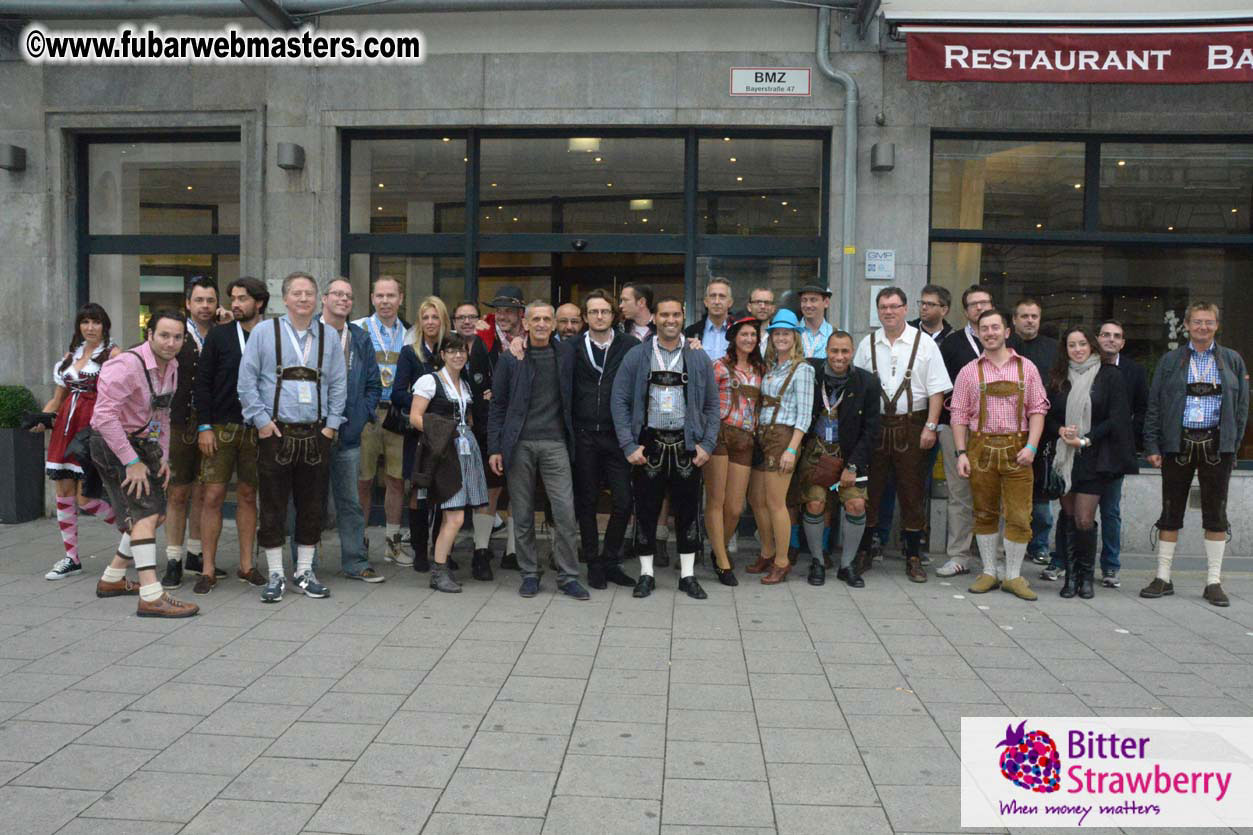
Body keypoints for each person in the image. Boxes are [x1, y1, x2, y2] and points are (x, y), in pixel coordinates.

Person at [238, 272, 348, 603]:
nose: (303, 298)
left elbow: (339, 384)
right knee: (272, 505)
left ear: (318, 300)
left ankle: (304, 571)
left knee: (312, 505)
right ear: (284, 299)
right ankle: (275, 573)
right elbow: (247, 382)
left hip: (316, 432)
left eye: (309, 293)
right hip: (275, 431)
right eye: (297, 293)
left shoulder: (330, 336)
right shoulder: (263, 332)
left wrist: (330, 426)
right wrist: (260, 422)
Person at [88, 310, 198, 617]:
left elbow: (162, 414)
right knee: (146, 514)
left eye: (177, 337)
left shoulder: (172, 366)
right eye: (164, 335)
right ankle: (151, 595)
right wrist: (132, 462)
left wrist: (161, 455)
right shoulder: (125, 366)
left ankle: (112, 579)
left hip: (141, 440)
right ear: (149, 334)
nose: (171, 342)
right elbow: (103, 418)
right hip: (112, 443)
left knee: (154, 515)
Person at [1141, 302, 1249, 608]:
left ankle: (1213, 581)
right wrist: (1152, 445)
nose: (1203, 327)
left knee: (1216, 515)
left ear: (1217, 325)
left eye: (1209, 322)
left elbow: (1241, 408)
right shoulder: (1171, 360)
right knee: (1170, 511)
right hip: (1178, 442)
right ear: (1186, 325)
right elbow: (1155, 405)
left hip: (1217, 445)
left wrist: (1232, 442)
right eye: (1197, 322)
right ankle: (1163, 577)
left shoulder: (1232, 360)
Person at [612, 296, 720, 599]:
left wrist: (707, 445)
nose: (670, 320)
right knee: (645, 510)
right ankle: (646, 574)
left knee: (688, 511)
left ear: (683, 317)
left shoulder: (698, 357)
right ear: (654, 318)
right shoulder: (637, 355)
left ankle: (687, 575)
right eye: (664, 315)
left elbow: (712, 405)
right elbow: (619, 400)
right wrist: (628, 444)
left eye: (675, 315)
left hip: (687, 445)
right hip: (649, 444)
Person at [488, 301, 589, 600]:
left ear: (555, 324)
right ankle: (529, 573)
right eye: (537, 319)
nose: (543, 323)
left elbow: (604, 340)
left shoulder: (567, 353)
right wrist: (495, 447)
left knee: (565, 512)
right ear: (526, 324)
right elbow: (498, 405)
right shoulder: (511, 358)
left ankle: (569, 576)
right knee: (521, 512)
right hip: (519, 443)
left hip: (556, 442)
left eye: (548, 319)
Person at [854, 287, 951, 583]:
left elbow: (937, 390)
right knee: (872, 490)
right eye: (883, 307)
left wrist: (931, 427)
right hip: (877, 426)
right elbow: (857, 390)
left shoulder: (925, 344)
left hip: (913, 424)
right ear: (877, 310)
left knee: (912, 492)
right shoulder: (867, 343)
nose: (889, 312)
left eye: (894, 306)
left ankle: (912, 555)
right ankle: (866, 549)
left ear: (906, 309)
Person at [951, 308, 1049, 601]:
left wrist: (1032, 447)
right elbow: (958, 414)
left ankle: (1014, 576)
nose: (990, 333)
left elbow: (1038, 409)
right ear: (978, 333)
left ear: (1007, 332)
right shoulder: (969, 370)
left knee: (1020, 514)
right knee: (984, 512)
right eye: (985, 328)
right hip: (980, 448)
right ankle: (990, 572)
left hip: (1018, 448)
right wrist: (961, 453)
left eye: (996, 327)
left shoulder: (1026, 368)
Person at [1044, 325, 1134, 600]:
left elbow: (1116, 418)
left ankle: (1086, 577)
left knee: (1084, 519)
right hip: (1065, 458)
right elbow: (1046, 414)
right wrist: (1060, 430)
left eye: (1082, 343)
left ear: (1092, 346)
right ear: (1065, 349)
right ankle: (1070, 577)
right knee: (1068, 516)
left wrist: (1085, 440)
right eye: (1072, 345)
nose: (1078, 349)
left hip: (1094, 458)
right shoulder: (1059, 377)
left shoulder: (1109, 375)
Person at [192, 277, 269, 592]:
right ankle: (207, 570)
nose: (235, 304)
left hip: (257, 428)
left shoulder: (271, 336)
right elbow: (203, 382)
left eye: (243, 298)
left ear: (259, 303)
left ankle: (247, 565)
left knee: (250, 496)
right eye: (233, 298)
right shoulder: (219, 336)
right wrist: (204, 426)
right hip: (220, 428)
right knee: (212, 496)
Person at [790, 330, 880, 587]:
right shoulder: (811, 373)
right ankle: (817, 561)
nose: (839, 357)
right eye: (834, 351)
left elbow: (872, 430)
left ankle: (847, 564)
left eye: (844, 351)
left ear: (852, 353)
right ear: (826, 352)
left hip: (850, 455)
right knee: (815, 504)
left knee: (856, 505)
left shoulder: (867, 383)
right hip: (817, 453)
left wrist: (853, 465)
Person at [39, 303, 122, 580]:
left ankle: (132, 533)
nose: (90, 328)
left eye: (96, 322)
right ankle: (71, 558)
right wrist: (42, 418)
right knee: (63, 491)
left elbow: (120, 396)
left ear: (104, 325)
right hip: (65, 426)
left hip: (92, 427)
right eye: (85, 322)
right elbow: (58, 398)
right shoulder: (69, 357)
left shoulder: (113, 355)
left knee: (86, 498)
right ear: (79, 327)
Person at [410, 333, 490, 593]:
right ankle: (438, 570)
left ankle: (441, 567)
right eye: (452, 350)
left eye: (462, 351)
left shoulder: (465, 383)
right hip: (444, 451)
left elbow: (468, 416)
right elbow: (415, 417)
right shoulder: (430, 381)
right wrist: (442, 437)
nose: (458, 355)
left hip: (467, 450)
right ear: (442, 354)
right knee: (454, 515)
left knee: (457, 513)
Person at [572, 290, 639, 590]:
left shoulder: (631, 346)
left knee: (624, 501)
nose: (599, 316)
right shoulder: (570, 347)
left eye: (605, 312)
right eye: (593, 312)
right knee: (586, 502)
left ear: (614, 315)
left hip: (618, 436)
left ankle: (611, 559)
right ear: (585, 317)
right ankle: (593, 562)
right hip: (584, 435)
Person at [744, 309, 815, 585]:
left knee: (776, 503)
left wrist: (792, 449)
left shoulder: (803, 369)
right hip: (763, 437)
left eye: (786, 333)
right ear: (771, 338)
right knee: (756, 500)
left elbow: (805, 414)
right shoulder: (772, 368)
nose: (781, 338)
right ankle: (767, 550)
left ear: (795, 338)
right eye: (776, 334)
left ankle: (782, 562)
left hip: (784, 438)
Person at [321, 278, 385, 582]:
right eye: (337, 294)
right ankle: (302, 563)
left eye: (348, 296)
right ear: (324, 298)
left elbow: (373, 384)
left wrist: (362, 415)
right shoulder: (307, 333)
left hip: (348, 434)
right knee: (305, 501)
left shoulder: (359, 338)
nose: (343, 300)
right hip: (311, 433)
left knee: (351, 501)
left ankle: (356, 562)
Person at [161, 276, 221, 589]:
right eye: (199, 300)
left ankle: (196, 554)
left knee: (204, 490)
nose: (205, 306)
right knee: (178, 491)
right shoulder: (175, 333)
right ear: (188, 303)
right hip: (179, 421)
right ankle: (173, 558)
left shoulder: (223, 332)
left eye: (210, 300)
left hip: (212, 422)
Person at [933, 285, 995, 577]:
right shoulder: (952, 343)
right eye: (974, 304)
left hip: (998, 430)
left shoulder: (1005, 342)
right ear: (965, 310)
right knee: (959, 494)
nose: (980, 308)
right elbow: (940, 386)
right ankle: (958, 555)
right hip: (957, 428)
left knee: (995, 494)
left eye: (985, 303)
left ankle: (994, 558)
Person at [353, 276, 409, 565]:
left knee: (396, 480)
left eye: (391, 296)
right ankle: (359, 544)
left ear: (401, 298)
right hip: (368, 414)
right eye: (380, 296)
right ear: (372, 298)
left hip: (397, 415)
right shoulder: (359, 329)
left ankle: (392, 543)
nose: (385, 301)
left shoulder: (412, 333)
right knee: (363, 481)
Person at [705, 317, 764, 587]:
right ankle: (721, 558)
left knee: (736, 507)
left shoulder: (760, 369)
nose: (749, 339)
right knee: (716, 501)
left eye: (753, 334)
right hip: (719, 433)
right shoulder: (718, 365)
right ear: (734, 337)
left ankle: (716, 546)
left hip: (745, 438)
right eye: (744, 334)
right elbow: (705, 400)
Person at [392, 296, 450, 573]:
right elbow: (397, 393)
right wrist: (423, 399)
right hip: (419, 432)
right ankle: (419, 551)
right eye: (425, 317)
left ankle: (441, 550)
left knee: (444, 492)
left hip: (447, 434)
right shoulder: (409, 353)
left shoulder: (452, 350)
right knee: (418, 493)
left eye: (434, 317)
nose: (429, 322)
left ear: (443, 321)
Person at [1093, 319, 1149, 588]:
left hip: (1116, 449)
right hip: (1085, 446)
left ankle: (1111, 567)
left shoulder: (1134, 371)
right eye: (1105, 335)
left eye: (1116, 336)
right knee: (1076, 512)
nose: (1110, 340)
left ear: (1123, 343)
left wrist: (1130, 437)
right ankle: (1068, 562)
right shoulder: (1085, 366)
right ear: (1097, 338)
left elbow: (1142, 409)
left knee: (1110, 510)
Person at [477, 286, 528, 568]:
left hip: (523, 426)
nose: (503, 316)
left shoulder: (533, 338)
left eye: (509, 311)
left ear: (521, 313)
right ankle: (482, 550)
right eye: (499, 311)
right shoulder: (483, 338)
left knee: (519, 489)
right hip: (491, 424)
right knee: (491, 488)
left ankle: (513, 551)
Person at [1010, 297, 1060, 568]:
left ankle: (1039, 544)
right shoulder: (1004, 347)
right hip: (1005, 430)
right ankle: (1011, 542)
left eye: (1034, 316)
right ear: (1014, 320)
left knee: (1041, 493)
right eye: (1024, 316)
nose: (1029, 320)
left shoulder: (1053, 350)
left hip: (1043, 432)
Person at [456, 301, 501, 580]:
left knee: (489, 487)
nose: (467, 321)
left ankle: (481, 551)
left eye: (472, 317)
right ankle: (444, 551)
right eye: (461, 317)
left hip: (487, 429)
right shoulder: (445, 348)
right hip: (456, 431)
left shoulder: (492, 347)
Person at [684, 277, 734, 361]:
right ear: (706, 302)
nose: (717, 302)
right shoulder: (691, 332)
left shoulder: (738, 332)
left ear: (730, 303)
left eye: (722, 297)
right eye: (712, 296)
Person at [797, 284, 834, 360]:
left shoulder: (834, 334)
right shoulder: (791, 333)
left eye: (813, 300)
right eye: (804, 300)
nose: (808, 305)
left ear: (826, 302)